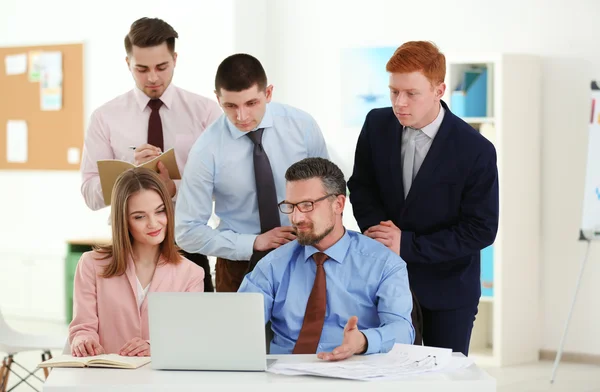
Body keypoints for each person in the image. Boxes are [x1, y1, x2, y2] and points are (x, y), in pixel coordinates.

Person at [347, 41, 499, 356]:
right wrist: (380, 233)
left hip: (449, 290)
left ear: (439, 90)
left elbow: (481, 228)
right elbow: (361, 186)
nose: (400, 102)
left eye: (411, 94)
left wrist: (408, 245)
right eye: (393, 92)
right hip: (384, 283)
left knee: (443, 380)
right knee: (389, 376)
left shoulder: (476, 150)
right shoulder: (376, 124)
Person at [79, 17, 221, 292]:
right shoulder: (104, 118)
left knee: (197, 333)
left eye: (162, 67)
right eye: (141, 69)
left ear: (175, 59)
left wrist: (176, 190)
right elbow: (89, 194)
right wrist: (128, 176)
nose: (153, 77)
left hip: (187, 246)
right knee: (127, 332)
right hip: (128, 250)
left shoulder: (205, 113)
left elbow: (226, 188)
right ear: (127, 64)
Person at [175, 53, 329, 292]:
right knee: (238, 331)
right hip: (238, 266)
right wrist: (253, 243)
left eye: (251, 103)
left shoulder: (302, 126)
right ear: (217, 99)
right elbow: (187, 231)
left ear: (268, 93)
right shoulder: (206, 150)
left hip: (305, 254)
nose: (242, 116)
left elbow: (327, 197)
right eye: (230, 106)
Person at [239, 158, 414, 358]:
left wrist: (363, 341)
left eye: (307, 205)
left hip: (354, 373)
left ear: (338, 204)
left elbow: (403, 331)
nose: (296, 218)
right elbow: (238, 324)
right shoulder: (272, 265)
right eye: (291, 206)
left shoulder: (383, 263)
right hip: (285, 377)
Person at [69, 168, 204, 357]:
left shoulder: (191, 274)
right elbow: (82, 328)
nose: (154, 223)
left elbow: (189, 336)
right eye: (140, 216)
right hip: (105, 378)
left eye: (160, 211)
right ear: (123, 220)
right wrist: (83, 341)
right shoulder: (91, 265)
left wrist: (155, 346)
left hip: (160, 382)